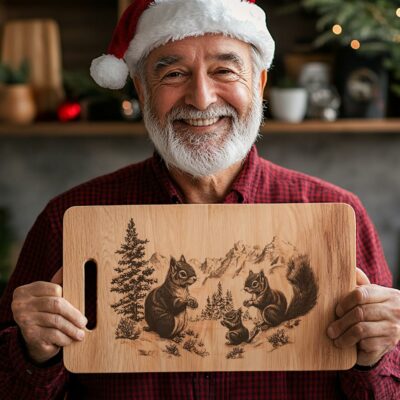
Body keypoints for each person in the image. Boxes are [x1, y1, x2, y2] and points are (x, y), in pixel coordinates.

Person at [1, 0, 400, 398]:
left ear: (259, 83)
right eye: (173, 73)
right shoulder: (68, 220)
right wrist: (33, 353)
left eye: (224, 70)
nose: (202, 99)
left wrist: (374, 355)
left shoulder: (335, 214)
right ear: (141, 89)